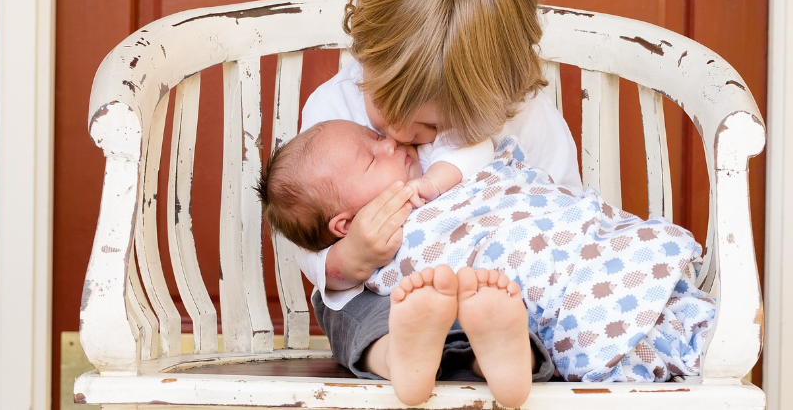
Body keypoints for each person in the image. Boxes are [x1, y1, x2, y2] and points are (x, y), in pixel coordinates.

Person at [272, 0, 583, 406]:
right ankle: (399, 354)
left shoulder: (524, 117)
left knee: (517, 310)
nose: (396, 133)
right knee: (350, 309)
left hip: (500, 284)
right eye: (383, 106)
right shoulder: (334, 108)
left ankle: (500, 354)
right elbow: (310, 228)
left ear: (493, 98)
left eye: (430, 125)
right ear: (365, 56)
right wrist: (349, 258)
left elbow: (565, 211)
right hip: (396, 296)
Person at [261, 121, 714, 385]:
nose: (389, 142)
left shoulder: (438, 155)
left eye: (375, 135)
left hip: (573, 244)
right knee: (420, 298)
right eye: (371, 158)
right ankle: (486, 352)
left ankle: (498, 353)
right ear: (343, 225)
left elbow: (483, 156)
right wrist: (357, 253)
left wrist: (435, 181)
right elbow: (328, 274)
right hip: (519, 285)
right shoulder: (378, 222)